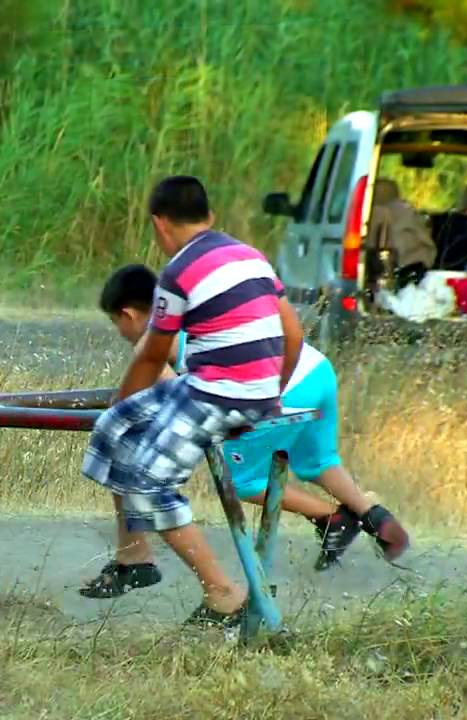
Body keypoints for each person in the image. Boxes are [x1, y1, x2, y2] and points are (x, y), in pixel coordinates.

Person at [82, 263, 411, 599]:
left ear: (129, 315)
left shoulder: (150, 342)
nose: (120, 332)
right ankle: (374, 516)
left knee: (245, 482)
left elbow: (178, 399)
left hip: (283, 384)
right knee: (319, 460)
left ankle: (330, 519)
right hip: (315, 369)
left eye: (116, 323)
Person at [80, 176, 308, 628]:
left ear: (159, 225)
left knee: (147, 480)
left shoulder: (179, 272)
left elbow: (151, 353)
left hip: (218, 392)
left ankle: (222, 592)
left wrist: (122, 397)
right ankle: (136, 557)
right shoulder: (253, 257)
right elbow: (294, 335)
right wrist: (271, 393)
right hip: (233, 388)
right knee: (114, 428)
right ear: (210, 217)